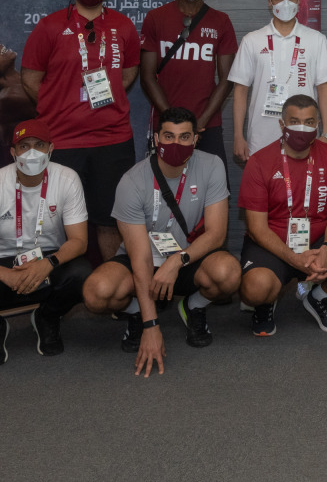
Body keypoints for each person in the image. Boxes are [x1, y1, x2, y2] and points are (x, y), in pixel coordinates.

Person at [81, 107, 241, 377]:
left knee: (229, 273)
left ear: (195, 140)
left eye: (184, 137)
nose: (175, 144)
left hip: (187, 257)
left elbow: (216, 234)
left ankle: (193, 306)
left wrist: (177, 261)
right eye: (168, 136)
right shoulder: (132, 181)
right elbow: (140, 257)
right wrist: (150, 324)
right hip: (142, 261)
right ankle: (135, 312)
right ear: (156, 139)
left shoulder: (212, 165)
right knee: (96, 292)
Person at [20, 0, 141, 260]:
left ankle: (111, 290)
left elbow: (127, 75)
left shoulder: (123, 26)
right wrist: (61, 104)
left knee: (111, 222)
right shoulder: (49, 26)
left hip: (112, 140)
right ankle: (61, 292)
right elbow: (30, 79)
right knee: (57, 224)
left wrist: (100, 101)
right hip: (63, 140)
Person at [0, 119, 92, 367]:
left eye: (39, 144)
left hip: (45, 259)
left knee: (82, 273)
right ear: (13, 152)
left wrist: (48, 263)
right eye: (24, 146)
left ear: (51, 149)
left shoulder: (67, 179)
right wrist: (6, 276)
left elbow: (79, 241)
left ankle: (47, 317)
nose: (32, 152)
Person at [238, 94, 327, 337]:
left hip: (318, 240)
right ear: (282, 125)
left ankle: (319, 297)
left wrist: (326, 249)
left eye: (309, 122)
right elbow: (257, 228)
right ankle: (265, 303)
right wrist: (294, 258)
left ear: (318, 124)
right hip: (273, 243)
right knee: (255, 289)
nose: (302, 128)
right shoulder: (259, 162)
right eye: (294, 121)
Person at [139, 0, 238, 166]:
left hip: (206, 124)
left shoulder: (221, 21)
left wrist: (198, 124)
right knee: (165, 186)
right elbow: (147, 77)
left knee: (213, 188)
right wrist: (174, 122)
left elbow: (227, 79)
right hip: (167, 124)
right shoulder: (155, 18)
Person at [229, 0, 327, 164]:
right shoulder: (252, 40)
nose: (285, 3)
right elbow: (240, 90)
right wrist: (238, 136)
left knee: (303, 191)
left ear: (298, 1)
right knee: (262, 192)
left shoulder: (316, 39)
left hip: (304, 136)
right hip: (261, 138)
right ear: (270, 2)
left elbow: (323, 88)